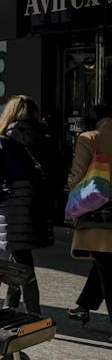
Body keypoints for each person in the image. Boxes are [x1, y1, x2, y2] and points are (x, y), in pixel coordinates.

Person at [0, 95, 60, 315]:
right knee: (19, 255)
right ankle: (10, 303)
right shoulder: (46, 139)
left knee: (23, 262)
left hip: (13, 210)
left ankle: (33, 313)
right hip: (38, 207)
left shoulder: (3, 141)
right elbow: (56, 175)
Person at [66, 104, 112, 335]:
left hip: (100, 219)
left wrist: (75, 207)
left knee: (106, 268)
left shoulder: (89, 138)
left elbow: (78, 175)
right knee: (103, 264)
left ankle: (84, 306)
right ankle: (84, 304)